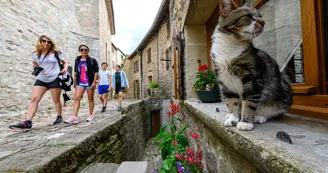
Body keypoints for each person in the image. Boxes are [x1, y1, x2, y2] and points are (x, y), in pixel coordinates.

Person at [9, 35, 68, 130]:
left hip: (54, 78)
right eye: (44, 41)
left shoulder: (56, 53)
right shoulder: (35, 54)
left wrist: (64, 69)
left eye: (49, 42)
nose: (46, 43)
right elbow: (35, 64)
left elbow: (65, 62)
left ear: (51, 43)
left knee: (56, 100)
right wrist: (36, 68)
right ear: (40, 42)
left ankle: (59, 116)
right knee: (34, 99)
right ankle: (28, 122)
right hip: (41, 78)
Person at [64, 45, 99, 124]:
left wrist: (94, 82)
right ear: (80, 51)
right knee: (76, 98)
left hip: (90, 82)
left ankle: (90, 115)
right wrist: (75, 80)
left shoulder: (93, 60)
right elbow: (76, 70)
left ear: (88, 51)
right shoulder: (77, 60)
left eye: (85, 50)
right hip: (80, 82)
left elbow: (96, 72)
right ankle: (74, 117)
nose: (83, 51)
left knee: (90, 99)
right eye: (82, 50)